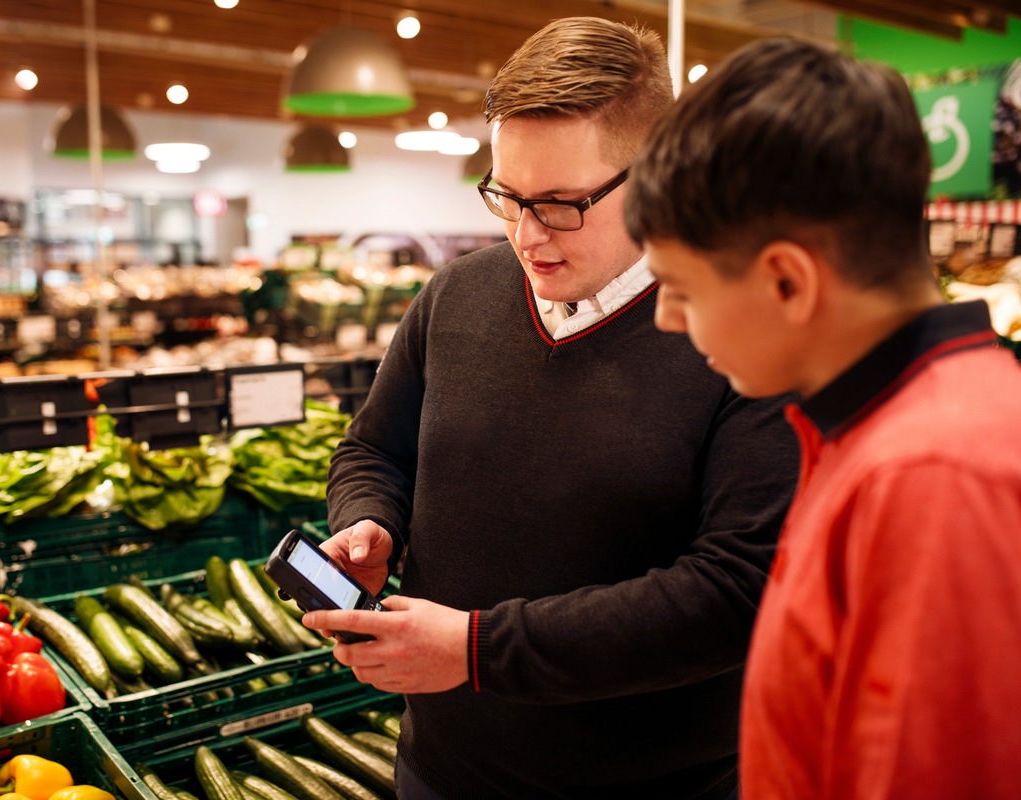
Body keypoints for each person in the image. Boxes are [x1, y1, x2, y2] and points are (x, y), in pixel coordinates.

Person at [301, 16, 799, 800]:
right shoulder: (455, 294)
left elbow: (736, 591)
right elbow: (374, 450)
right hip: (441, 769)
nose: (528, 236)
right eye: (508, 196)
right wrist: (370, 518)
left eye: (564, 203)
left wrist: (477, 650)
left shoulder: (741, 334)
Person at [623, 36, 1021, 799]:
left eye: (681, 288)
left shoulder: (932, 478)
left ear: (786, 282)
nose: (668, 319)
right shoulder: (887, 429)